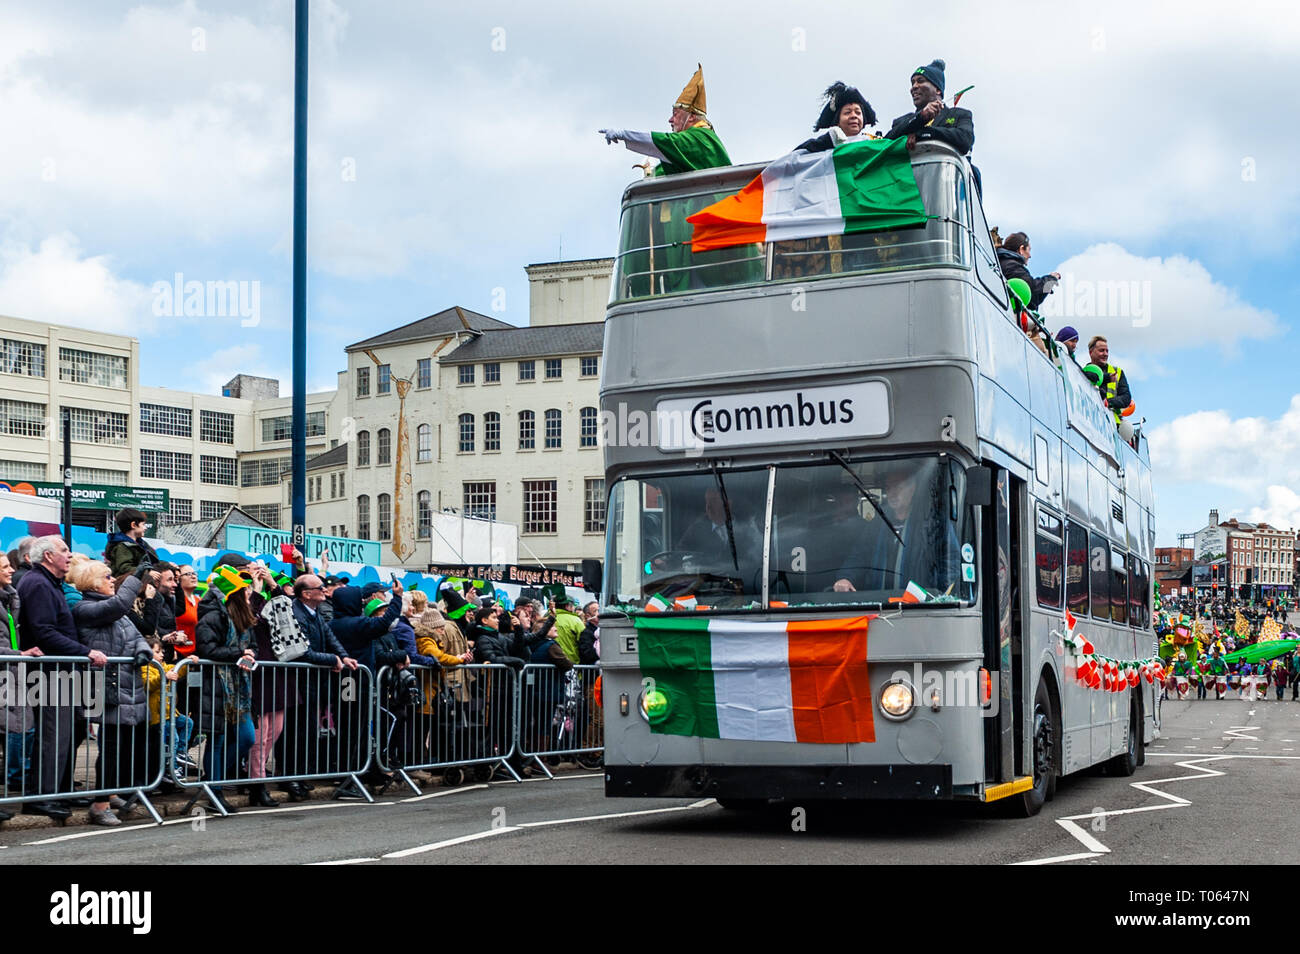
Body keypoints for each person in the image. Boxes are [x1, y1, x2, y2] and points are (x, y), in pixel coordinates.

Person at [17, 536, 107, 820]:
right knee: (52, 737)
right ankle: (41, 798)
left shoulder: (48, 583)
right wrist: (85, 651)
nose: (70, 555)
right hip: (50, 673)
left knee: (58, 736)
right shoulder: (38, 584)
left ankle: (50, 794)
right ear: (47, 556)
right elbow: (44, 631)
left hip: (58, 671)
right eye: (64, 550)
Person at [69, 560, 154, 826]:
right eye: (107, 577)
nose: (111, 581)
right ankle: (100, 804)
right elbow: (119, 606)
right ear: (93, 582)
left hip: (126, 685)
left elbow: (136, 635)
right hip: (105, 687)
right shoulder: (85, 608)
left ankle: (112, 792)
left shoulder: (115, 613)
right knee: (111, 749)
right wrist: (135, 579)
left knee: (122, 747)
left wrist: (143, 652)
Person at [195, 564, 259, 813]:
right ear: (233, 593)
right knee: (218, 740)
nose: (249, 592)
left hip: (240, 690)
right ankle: (215, 791)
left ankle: (213, 779)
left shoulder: (246, 618)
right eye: (244, 589)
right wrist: (237, 653)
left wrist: (251, 655)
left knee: (246, 738)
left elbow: (252, 645)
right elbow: (206, 649)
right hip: (218, 686)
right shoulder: (213, 616)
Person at [288, 573, 356, 797]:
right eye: (321, 587)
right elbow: (303, 651)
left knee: (308, 730)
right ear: (307, 594)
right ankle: (291, 778)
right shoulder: (295, 613)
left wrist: (343, 657)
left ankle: (301, 775)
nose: (325, 589)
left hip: (314, 681)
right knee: (297, 731)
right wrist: (331, 660)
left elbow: (330, 637)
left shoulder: (314, 613)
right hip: (299, 681)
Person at [599, 64, 731, 176]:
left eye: (676, 114)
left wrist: (624, 134)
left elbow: (666, 142)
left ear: (691, 117)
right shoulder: (702, 139)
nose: (670, 120)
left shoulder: (700, 138)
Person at [0, 553, 43, 821]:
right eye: (5, 567)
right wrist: (20, 654)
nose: (11, 570)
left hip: (11, 672)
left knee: (18, 727)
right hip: (8, 669)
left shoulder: (10, 597)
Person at [885, 59, 974, 156]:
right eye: (913, 83)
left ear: (937, 89)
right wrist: (920, 117)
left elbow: (965, 140)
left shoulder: (959, 114)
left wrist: (923, 134)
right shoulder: (901, 121)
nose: (914, 87)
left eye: (920, 81)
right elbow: (885, 143)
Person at [142, 636, 194, 779]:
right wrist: (164, 677)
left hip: (171, 713)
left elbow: (179, 670)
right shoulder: (145, 668)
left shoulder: (165, 666)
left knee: (188, 723)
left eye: (162, 651)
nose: (162, 654)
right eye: (158, 651)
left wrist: (189, 661)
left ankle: (180, 754)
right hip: (158, 716)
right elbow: (148, 684)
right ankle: (171, 766)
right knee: (173, 738)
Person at [795, 82, 877, 152]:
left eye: (858, 113)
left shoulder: (874, 142)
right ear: (837, 121)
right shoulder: (824, 147)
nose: (854, 116)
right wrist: (828, 140)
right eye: (847, 112)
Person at [997, 233, 1060, 312]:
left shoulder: (1004, 262)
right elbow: (1032, 291)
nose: (1030, 255)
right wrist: (1051, 279)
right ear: (1021, 249)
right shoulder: (1012, 266)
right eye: (1029, 250)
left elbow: (1034, 300)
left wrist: (1049, 284)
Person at [1087, 336, 1133, 423]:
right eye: (1101, 350)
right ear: (1091, 352)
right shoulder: (1084, 373)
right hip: (1091, 421)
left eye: (1107, 351)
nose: (1105, 354)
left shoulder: (1118, 372)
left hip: (1112, 426)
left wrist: (1108, 402)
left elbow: (1126, 398)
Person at [104, 508, 159, 578]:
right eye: (143, 524)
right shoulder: (122, 546)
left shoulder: (141, 543)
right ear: (133, 525)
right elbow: (124, 567)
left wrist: (167, 565)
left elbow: (154, 561)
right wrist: (146, 572)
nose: (145, 528)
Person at [551, 595, 586, 664]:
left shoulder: (546, 618)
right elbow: (584, 642)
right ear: (567, 606)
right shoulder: (576, 621)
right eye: (573, 606)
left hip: (548, 667)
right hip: (571, 665)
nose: (574, 608)